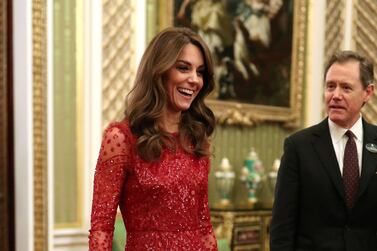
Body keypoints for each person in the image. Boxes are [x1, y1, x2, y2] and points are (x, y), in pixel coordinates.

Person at [88, 27, 218, 250]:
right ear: (159, 71)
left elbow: (204, 227)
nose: (194, 80)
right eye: (183, 68)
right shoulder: (121, 138)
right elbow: (101, 228)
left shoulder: (196, 138)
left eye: (200, 72)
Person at [270, 50, 377, 250]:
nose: (335, 95)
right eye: (330, 86)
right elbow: (282, 228)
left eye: (346, 88)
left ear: (367, 92)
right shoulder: (298, 147)